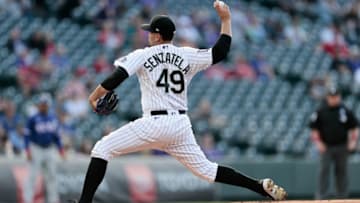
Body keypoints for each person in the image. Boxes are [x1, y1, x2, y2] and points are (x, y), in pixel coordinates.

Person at [73, 2, 287, 203]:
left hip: (154, 123)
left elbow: (117, 76)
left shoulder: (143, 54)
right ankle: (259, 186)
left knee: (102, 149)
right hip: (179, 125)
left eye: (151, 32)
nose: (149, 35)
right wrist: (226, 20)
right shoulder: (186, 54)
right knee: (207, 170)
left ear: (158, 36)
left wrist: (93, 96)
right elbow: (220, 52)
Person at [309, 86, 359, 199]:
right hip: (326, 146)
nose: (334, 99)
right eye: (332, 97)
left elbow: (355, 127)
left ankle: (342, 197)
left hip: (342, 146)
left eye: (336, 96)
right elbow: (314, 129)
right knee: (324, 171)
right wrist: (318, 143)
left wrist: (353, 141)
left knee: (341, 172)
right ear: (328, 97)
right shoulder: (321, 110)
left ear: (339, 97)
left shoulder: (345, 110)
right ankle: (321, 196)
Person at [23, 93, 66, 203]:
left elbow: (56, 136)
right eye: (41, 104)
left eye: (45, 104)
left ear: (49, 105)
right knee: (32, 176)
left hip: (49, 149)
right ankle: (27, 200)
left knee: (52, 176)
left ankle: (54, 200)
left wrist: (61, 149)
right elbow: (27, 135)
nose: (43, 106)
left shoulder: (53, 118)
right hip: (36, 148)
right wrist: (27, 149)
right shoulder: (33, 118)